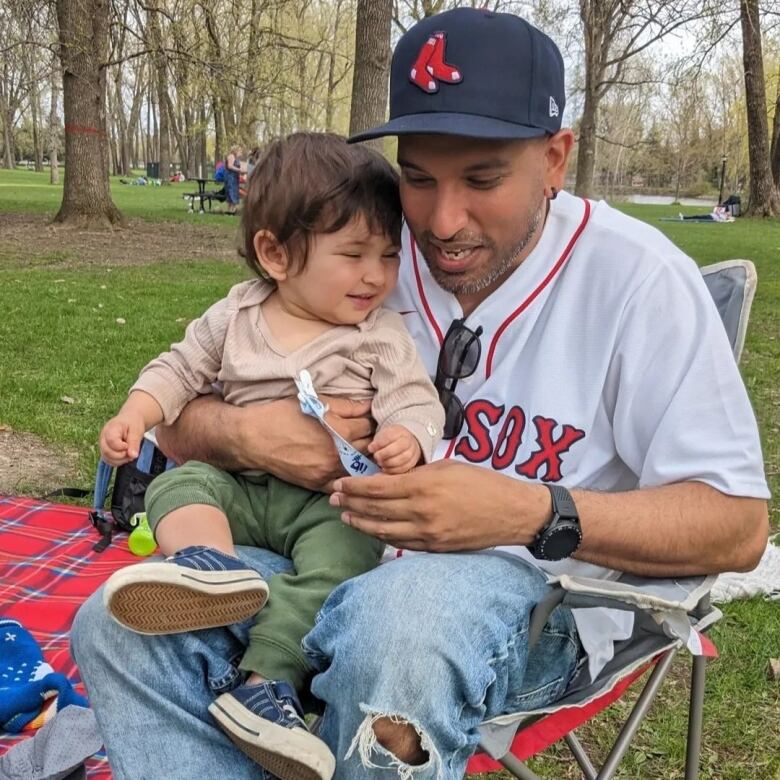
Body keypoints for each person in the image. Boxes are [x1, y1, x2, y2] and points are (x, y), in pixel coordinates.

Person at [72, 8, 769, 780]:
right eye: (418, 177)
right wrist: (248, 436)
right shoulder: (366, 252)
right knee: (115, 623)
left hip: (530, 604)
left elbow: (735, 527)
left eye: (483, 179)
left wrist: (531, 511)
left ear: (556, 158)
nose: (442, 222)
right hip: (324, 560)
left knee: (397, 623)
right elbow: (190, 403)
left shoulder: (637, 280)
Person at [95, 133, 443, 780]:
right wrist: (135, 415)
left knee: (347, 554)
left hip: (322, 503)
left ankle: (264, 686)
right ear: (275, 254)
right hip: (233, 488)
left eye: (389, 256)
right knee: (180, 485)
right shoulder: (236, 314)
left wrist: (409, 437)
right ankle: (210, 570)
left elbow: (416, 401)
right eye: (354, 254)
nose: (377, 275)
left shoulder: (379, 334)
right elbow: (178, 370)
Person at [225, 144, 244, 214]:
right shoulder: (231, 156)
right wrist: (239, 170)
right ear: (236, 151)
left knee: (234, 193)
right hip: (230, 177)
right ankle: (230, 210)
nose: (240, 153)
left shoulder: (236, 158)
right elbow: (230, 166)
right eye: (239, 151)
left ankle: (232, 210)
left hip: (235, 177)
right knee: (231, 193)